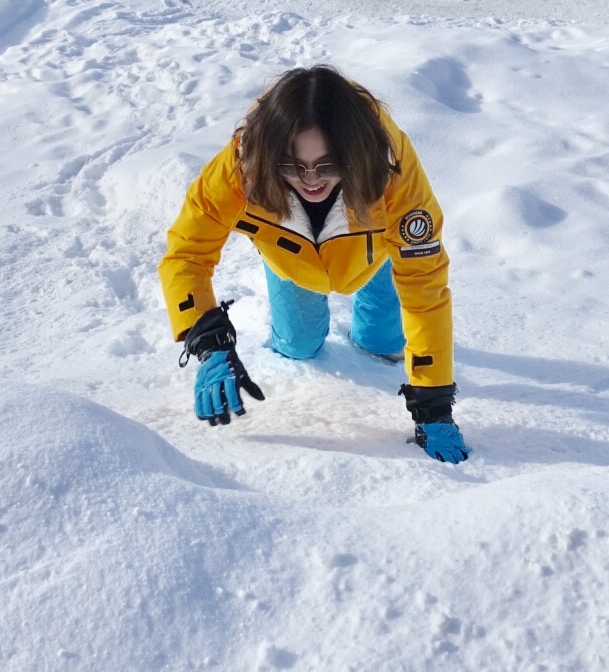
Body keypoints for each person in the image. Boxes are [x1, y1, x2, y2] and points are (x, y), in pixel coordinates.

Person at [160, 65, 467, 462]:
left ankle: (377, 308)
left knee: (383, 341)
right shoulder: (241, 167)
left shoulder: (393, 172)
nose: (311, 181)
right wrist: (205, 336)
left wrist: (434, 405)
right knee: (299, 347)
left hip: (376, 254)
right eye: (291, 166)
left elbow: (424, 285)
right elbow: (187, 252)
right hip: (294, 258)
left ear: (354, 153)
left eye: (328, 165)